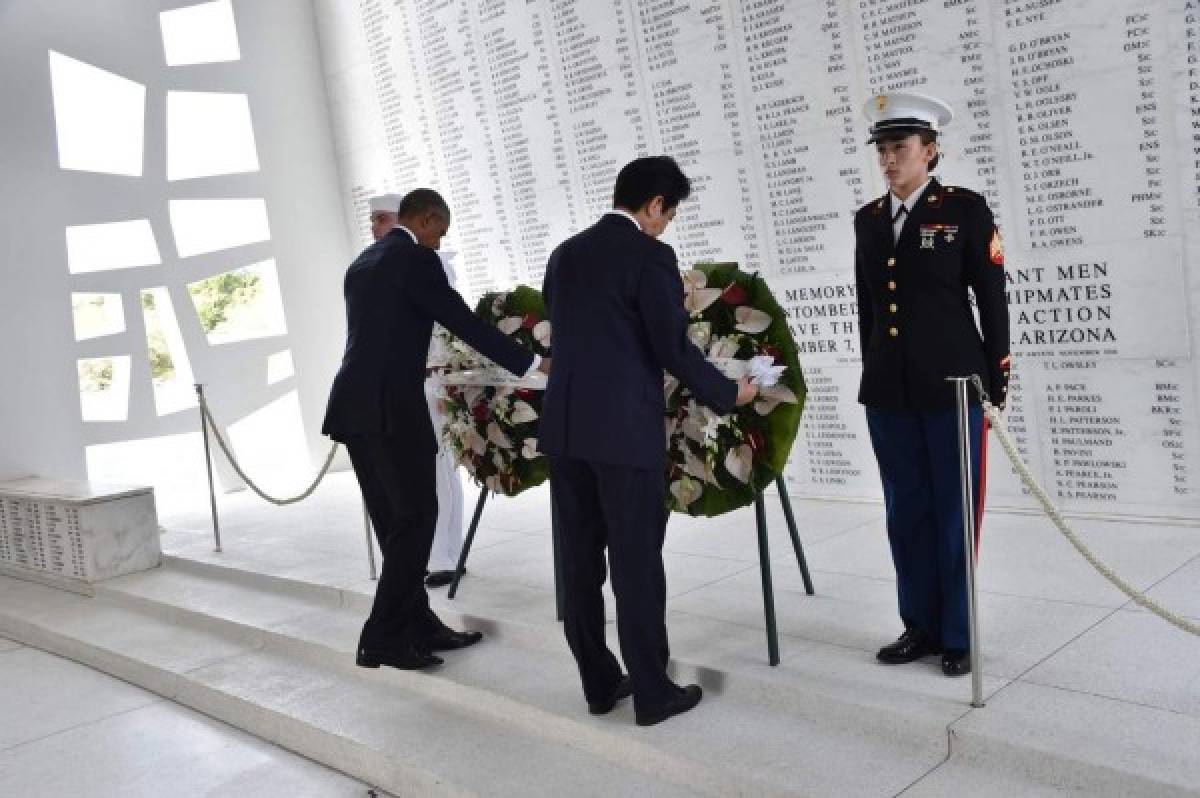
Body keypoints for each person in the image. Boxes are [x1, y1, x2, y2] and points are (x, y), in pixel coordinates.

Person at [540, 156, 757, 725]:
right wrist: (728, 394)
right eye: (670, 212)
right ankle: (654, 693)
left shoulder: (564, 254)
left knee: (579, 563)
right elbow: (671, 346)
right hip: (622, 432)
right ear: (655, 203)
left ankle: (598, 683)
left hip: (564, 430)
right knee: (635, 561)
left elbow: (568, 333)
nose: (668, 225)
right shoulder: (650, 255)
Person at [323, 188, 548, 671]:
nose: (438, 243)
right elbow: (462, 321)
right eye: (439, 232)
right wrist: (531, 363)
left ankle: (418, 625)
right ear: (425, 220)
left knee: (394, 524)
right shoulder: (415, 260)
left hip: (352, 407)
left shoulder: (364, 262)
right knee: (417, 519)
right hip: (390, 411)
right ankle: (380, 636)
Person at [853, 92, 1011, 677]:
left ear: (930, 151)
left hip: (953, 386)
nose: (889, 160)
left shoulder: (964, 210)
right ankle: (917, 624)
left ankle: (958, 634)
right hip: (890, 392)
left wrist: (997, 377)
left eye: (900, 148)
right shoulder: (868, 221)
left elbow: (991, 299)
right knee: (905, 511)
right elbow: (868, 307)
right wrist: (872, 367)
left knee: (952, 512)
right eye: (883, 150)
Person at [365, 193, 465, 589]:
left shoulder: (429, 260)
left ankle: (445, 555)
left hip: (429, 378)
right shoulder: (376, 264)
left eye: (381, 219)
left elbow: (451, 325)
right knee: (414, 480)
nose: (374, 228)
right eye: (372, 220)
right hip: (398, 387)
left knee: (439, 470)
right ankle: (426, 554)